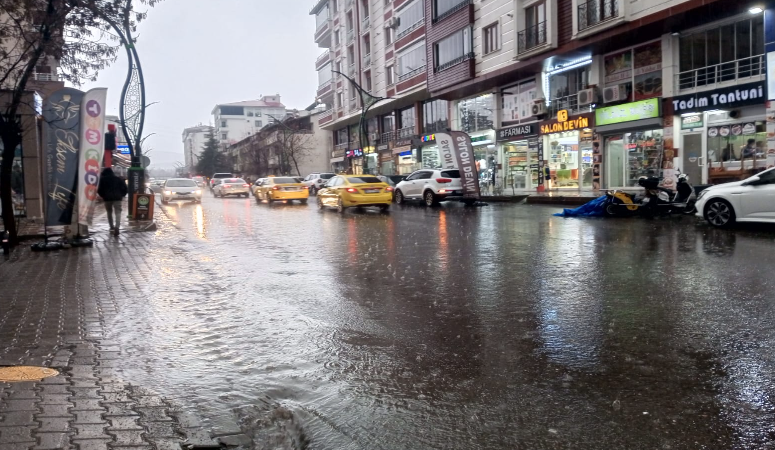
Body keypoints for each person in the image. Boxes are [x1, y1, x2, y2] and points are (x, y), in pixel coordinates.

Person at [97, 168, 128, 236]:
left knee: (109, 212)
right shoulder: (118, 179)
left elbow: (99, 189)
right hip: (117, 198)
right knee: (118, 213)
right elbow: (125, 188)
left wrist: (103, 195)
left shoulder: (102, 180)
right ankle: (117, 226)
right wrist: (122, 195)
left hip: (107, 198)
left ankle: (111, 226)